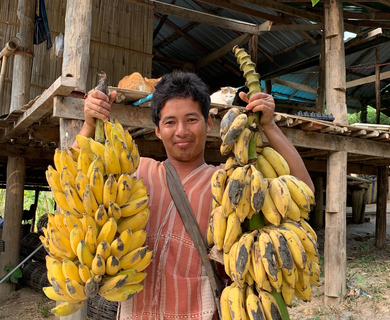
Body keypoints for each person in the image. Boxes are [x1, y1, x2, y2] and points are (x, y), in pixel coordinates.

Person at [75, 72, 314, 320]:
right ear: (157, 130)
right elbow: (72, 183)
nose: (181, 131)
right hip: (137, 313)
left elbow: (304, 190)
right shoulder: (135, 172)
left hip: (201, 313)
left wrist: (269, 125)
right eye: (169, 122)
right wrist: (89, 125)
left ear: (208, 123)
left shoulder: (229, 181)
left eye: (191, 120)